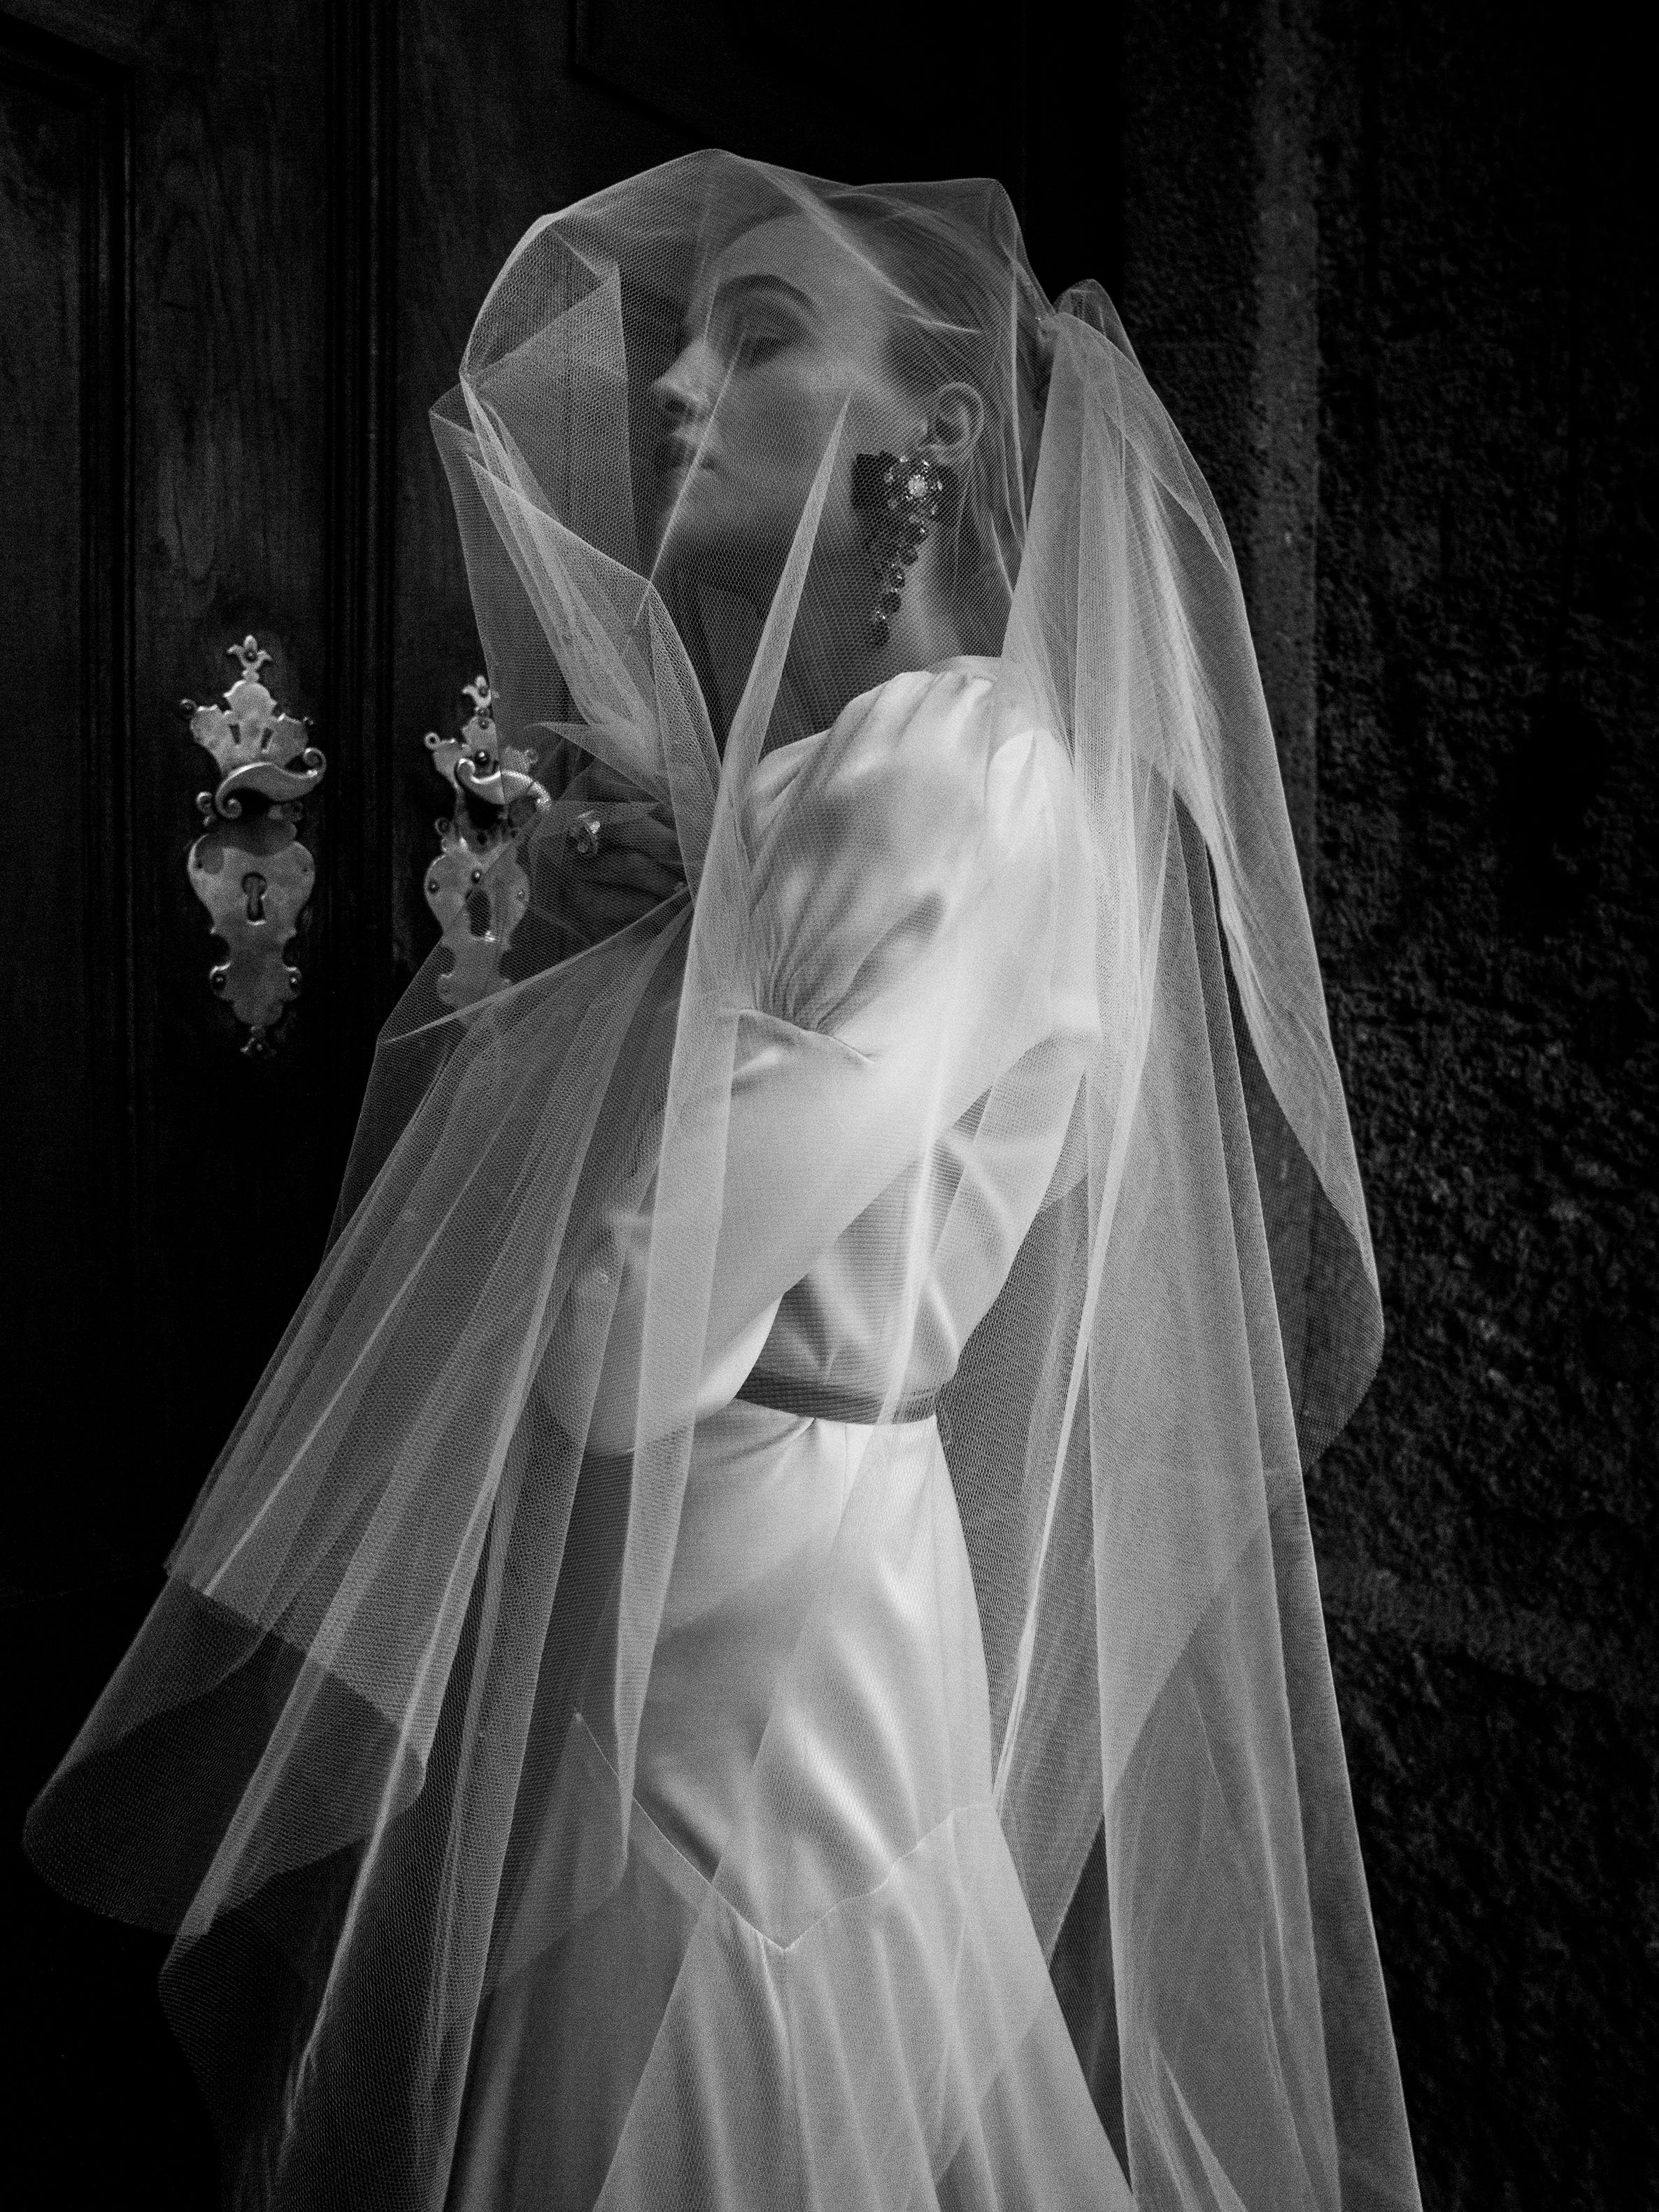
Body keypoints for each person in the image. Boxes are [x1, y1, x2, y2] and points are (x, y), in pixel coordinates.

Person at [24, 155, 1423, 2212]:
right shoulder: (878, 773)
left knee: (718, 2074)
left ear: (931, 444)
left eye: (762, 340)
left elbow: (611, 1332)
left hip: (751, 1598)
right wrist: (656, 943)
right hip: (801, 1562)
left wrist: (675, 997)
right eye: (690, 339)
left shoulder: (940, 776)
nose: (680, 388)